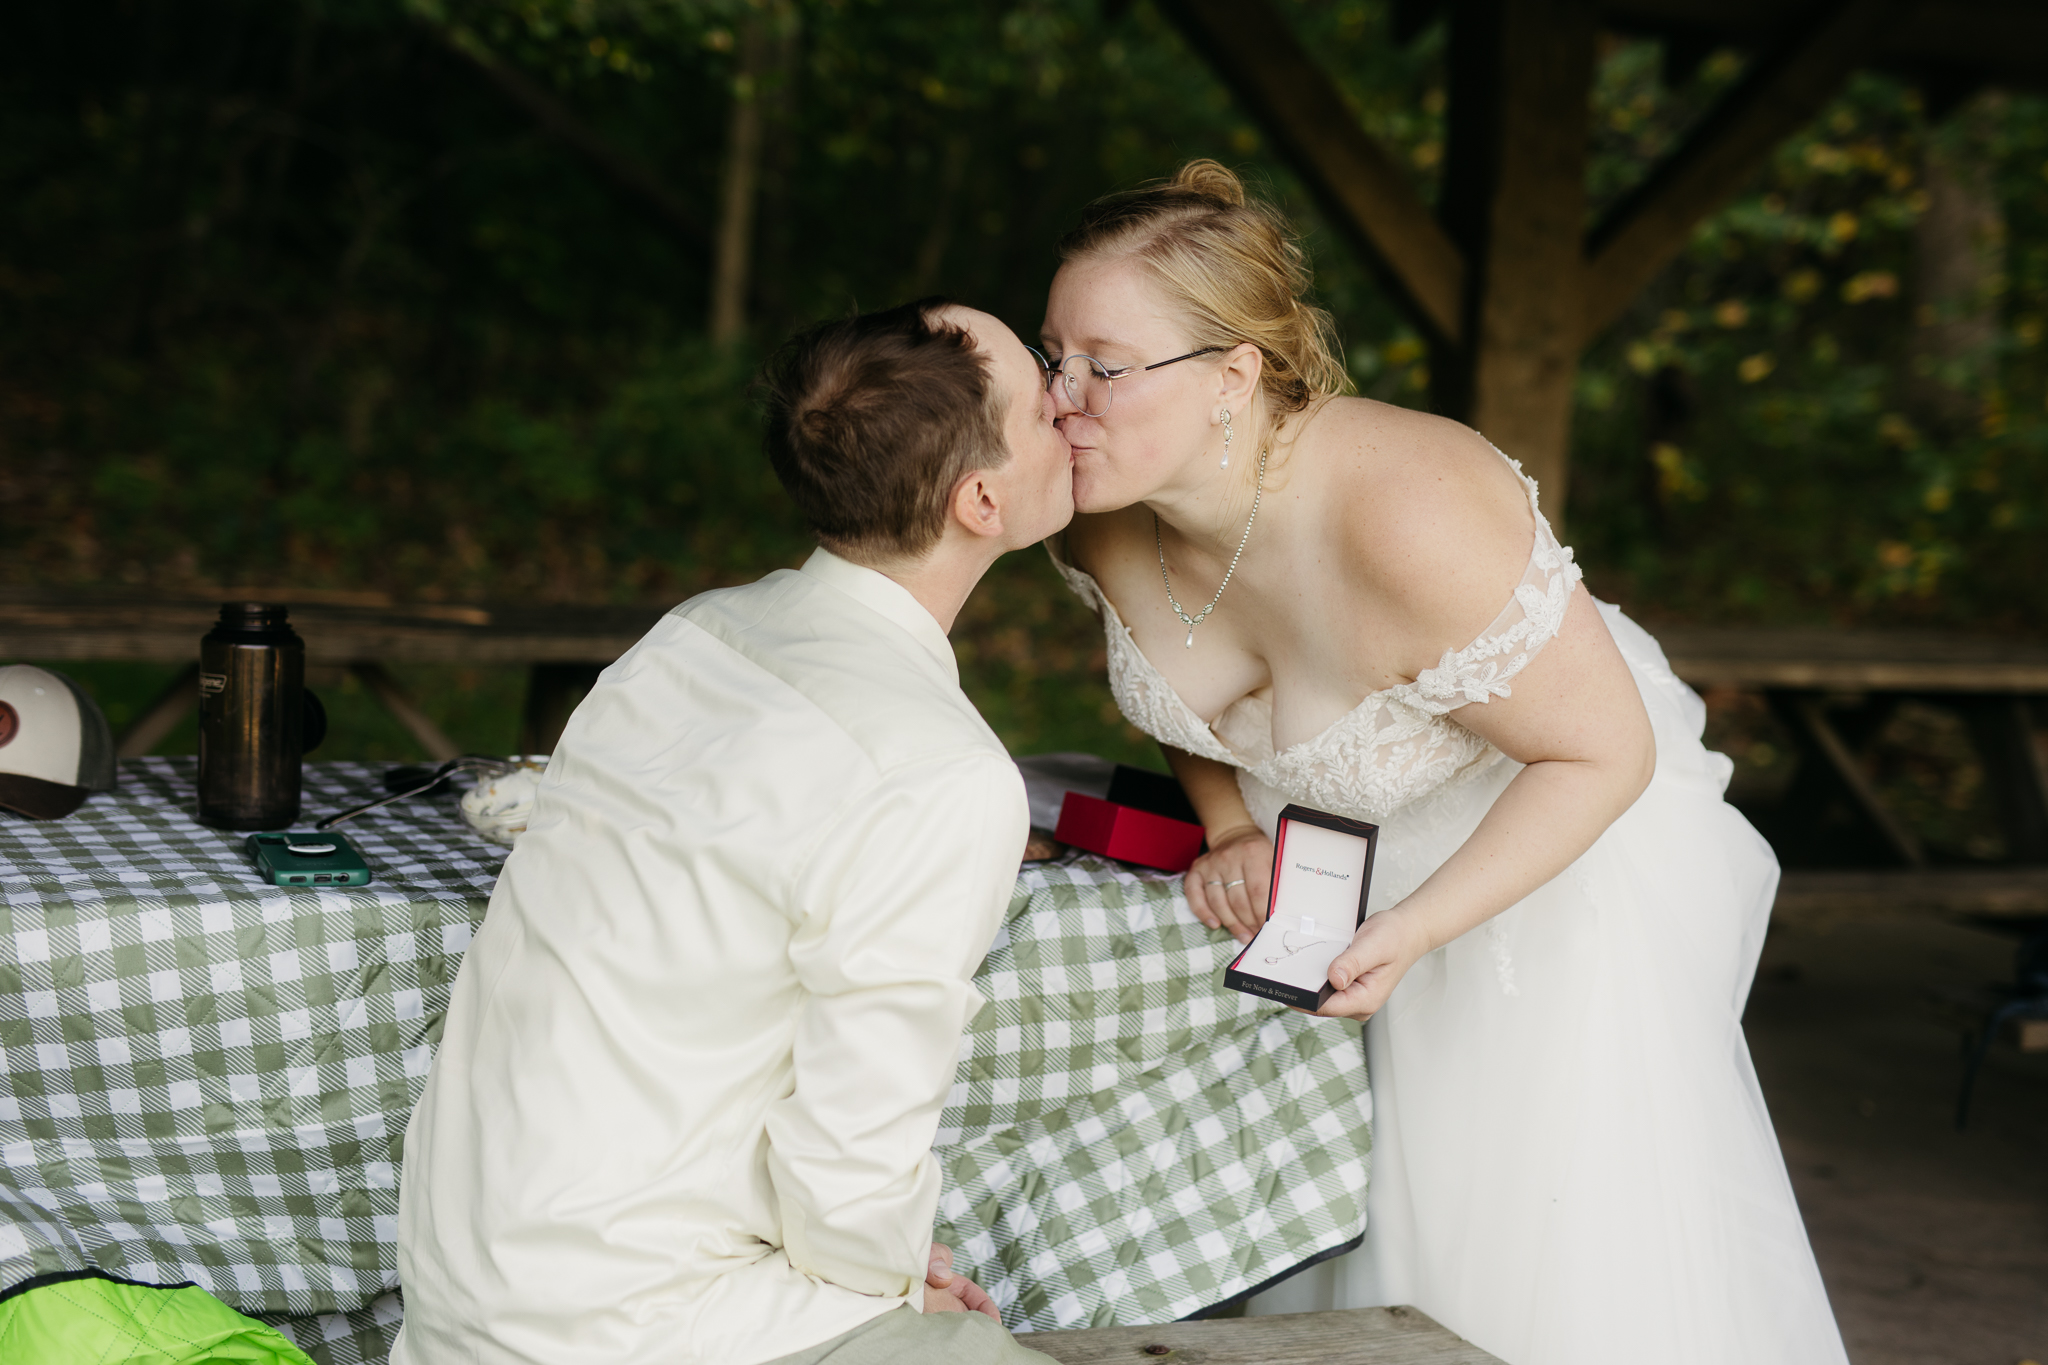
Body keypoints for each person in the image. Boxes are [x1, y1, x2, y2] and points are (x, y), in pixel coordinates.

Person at [1037, 160, 1849, 1365]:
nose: (1059, 401)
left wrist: (1413, 930)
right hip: (1331, 881)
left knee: (1513, 1250)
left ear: (1232, 375)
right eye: (1050, 356)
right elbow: (1186, 687)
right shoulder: (1105, 506)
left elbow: (1596, 753)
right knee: (1341, 1240)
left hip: (1545, 856)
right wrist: (1225, 822)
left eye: (1102, 366)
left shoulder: (1406, 511)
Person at [391, 299, 1071, 1365]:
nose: (1069, 402)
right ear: (980, 500)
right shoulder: (940, 775)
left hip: (467, 1278)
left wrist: (883, 1267)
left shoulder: (692, 633)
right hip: (622, 1326)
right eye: (1043, 399)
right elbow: (849, 1153)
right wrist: (899, 1292)